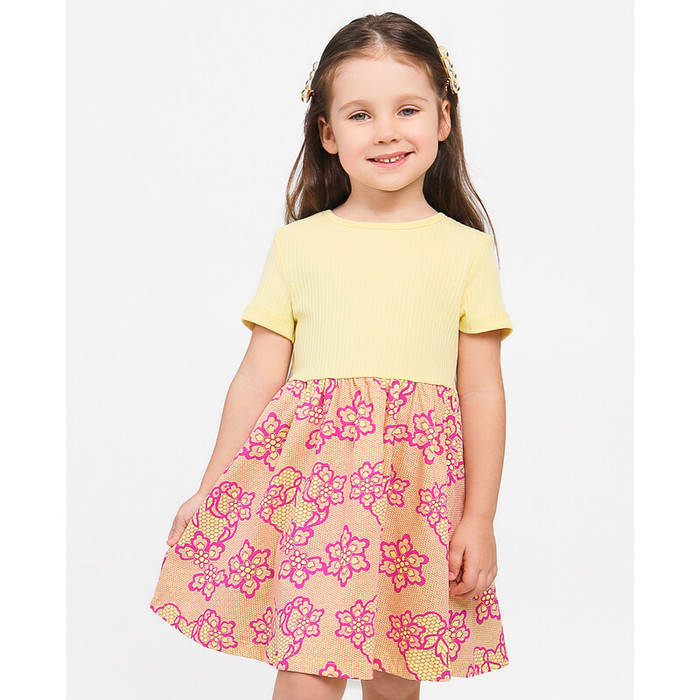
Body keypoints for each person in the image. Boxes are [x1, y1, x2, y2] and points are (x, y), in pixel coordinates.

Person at [149, 11, 514, 700]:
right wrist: (211, 485)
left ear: (443, 118)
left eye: (407, 109)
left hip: (416, 494)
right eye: (360, 114)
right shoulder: (299, 245)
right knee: (308, 666)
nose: (386, 131)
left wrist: (479, 518)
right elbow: (257, 377)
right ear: (327, 132)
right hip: (317, 491)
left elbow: (483, 391)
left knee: (395, 674)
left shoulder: (465, 251)